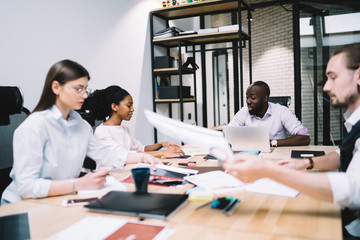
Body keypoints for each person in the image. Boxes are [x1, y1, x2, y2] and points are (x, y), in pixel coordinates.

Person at [224, 43, 360, 238]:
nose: (326, 86)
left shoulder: (281, 112)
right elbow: (343, 153)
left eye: (332, 77)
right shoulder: (354, 122)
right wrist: (306, 162)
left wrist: (270, 170)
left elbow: (352, 190)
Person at [1, 60, 161, 205]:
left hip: (57, 200)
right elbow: (26, 187)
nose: (84, 95)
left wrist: (141, 156)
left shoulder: (80, 124)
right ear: (56, 87)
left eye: (85, 89)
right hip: (20, 206)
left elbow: (104, 154)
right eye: (78, 89)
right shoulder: (34, 126)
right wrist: (79, 184)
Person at [87, 85, 184, 158]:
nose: (132, 109)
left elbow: (140, 149)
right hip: (112, 176)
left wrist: (162, 144)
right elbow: (126, 155)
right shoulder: (102, 132)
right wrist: (163, 153)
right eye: (129, 106)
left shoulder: (125, 129)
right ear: (114, 107)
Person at [227, 81, 310, 147]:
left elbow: (304, 138)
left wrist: (271, 143)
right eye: (247, 98)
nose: (248, 101)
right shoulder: (244, 112)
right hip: (250, 155)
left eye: (252, 98)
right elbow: (227, 132)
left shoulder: (281, 111)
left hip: (276, 156)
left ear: (265, 98)